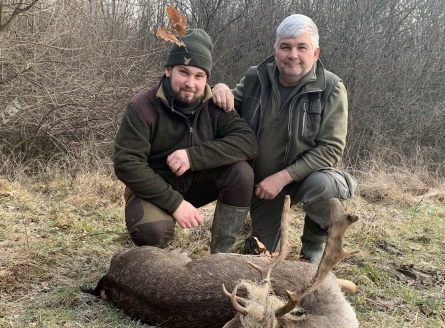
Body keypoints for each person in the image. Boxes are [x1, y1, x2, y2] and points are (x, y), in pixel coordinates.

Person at [211, 14, 357, 264]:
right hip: (263, 188)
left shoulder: (331, 88)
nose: (293, 55)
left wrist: (282, 178)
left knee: (327, 187)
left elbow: (331, 149)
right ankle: (258, 239)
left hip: (304, 180)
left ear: (315, 52)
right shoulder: (255, 77)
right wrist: (219, 88)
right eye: (286, 47)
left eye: (302, 47)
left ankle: (313, 246)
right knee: (262, 255)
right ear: (275, 50)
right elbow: (227, 107)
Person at [114, 29, 258, 253]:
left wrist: (193, 157)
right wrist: (175, 204)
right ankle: (155, 259)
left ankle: (221, 256)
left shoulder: (215, 105)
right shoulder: (142, 106)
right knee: (152, 231)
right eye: (184, 72)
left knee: (242, 173)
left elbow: (247, 142)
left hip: (197, 184)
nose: (190, 83)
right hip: (154, 188)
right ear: (168, 70)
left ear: (207, 79)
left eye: (199, 76)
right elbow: (126, 163)